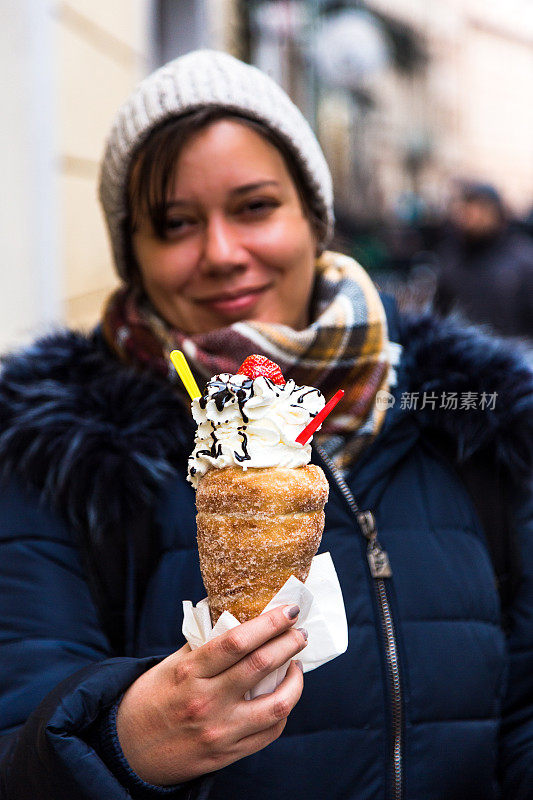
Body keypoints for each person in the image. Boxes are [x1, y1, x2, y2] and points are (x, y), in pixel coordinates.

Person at [0, 50, 532, 800]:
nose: (221, 253)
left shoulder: (471, 417)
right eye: (175, 222)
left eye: (254, 207)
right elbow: (16, 735)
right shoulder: (54, 452)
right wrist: (121, 744)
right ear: (134, 255)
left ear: (312, 220)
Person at [433, 181, 533, 338]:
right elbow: (439, 314)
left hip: (515, 356)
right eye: (466, 209)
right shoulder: (452, 257)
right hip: (466, 355)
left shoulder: (522, 258)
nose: (471, 217)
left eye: (479, 209)